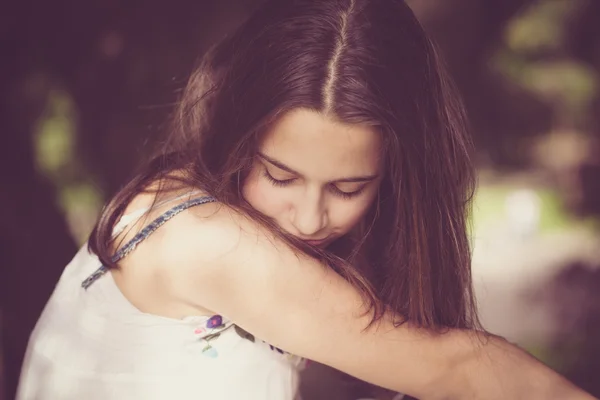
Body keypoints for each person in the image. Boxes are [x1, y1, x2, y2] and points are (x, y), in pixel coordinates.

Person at [16, 0, 595, 399]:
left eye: (349, 187)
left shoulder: (177, 193)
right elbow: (457, 369)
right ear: (238, 134)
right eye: (279, 175)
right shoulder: (208, 243)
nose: (311, 218)